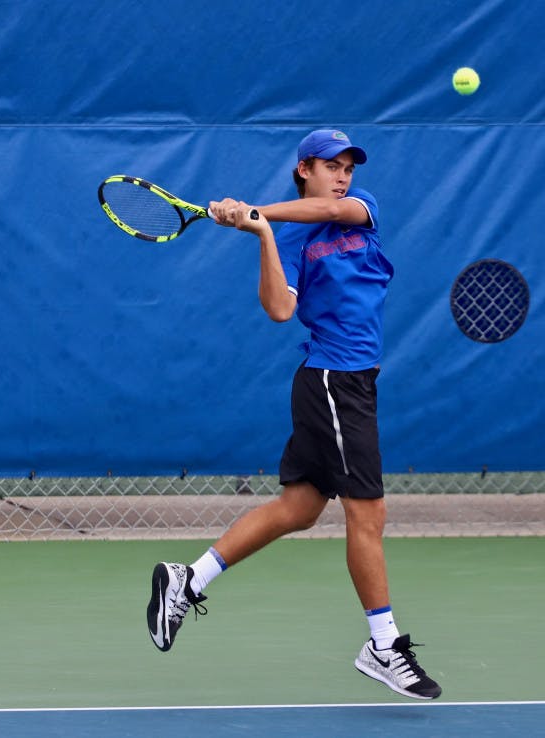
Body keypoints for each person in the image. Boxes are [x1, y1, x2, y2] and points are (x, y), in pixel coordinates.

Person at [145, 129, 441, 700]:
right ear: (304, 167)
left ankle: (189, 579)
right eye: (332, 165)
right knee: (368, 514)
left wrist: (258, 210)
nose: (344, 175)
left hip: (349, 382)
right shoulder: (294, 243)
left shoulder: (361, 210)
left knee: (299, 508)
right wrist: (260, 233)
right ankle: (383, 644)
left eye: (349, 167)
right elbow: (281, 309)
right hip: (332, 383)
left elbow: (331, 209)